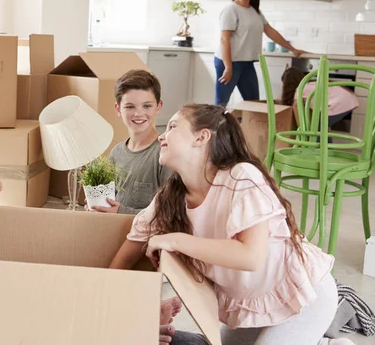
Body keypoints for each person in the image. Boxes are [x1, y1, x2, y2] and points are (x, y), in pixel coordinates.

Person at [110, 103, 353, 345]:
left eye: (172, 126)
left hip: (304, 295)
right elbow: (124, 260)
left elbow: (250, 257)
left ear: (201, 137)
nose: (162, 135)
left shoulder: (242, 176)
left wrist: (175, 240)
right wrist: (118, 305)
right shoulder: (168, 200)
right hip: (253, 303)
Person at [215, 0, 307, 107]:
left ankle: (250, 128)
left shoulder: (255, 11)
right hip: (229, 62)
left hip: (246, 63)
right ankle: (212, 128)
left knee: (254, 103)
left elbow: (270, 32)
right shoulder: (231, 10)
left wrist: (292, 49)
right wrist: (228, 67)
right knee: (221, 103)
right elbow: (224, 39)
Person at [90, 69, 173, 215]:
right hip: (113, 230)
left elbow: (169, 212)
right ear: (118, 108)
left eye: (147, 106)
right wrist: (98, 206)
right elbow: (110, 200)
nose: (138, 113)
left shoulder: (165, 153)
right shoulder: (116, 153)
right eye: (130, 107)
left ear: (158, 107)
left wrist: (121, 211)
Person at [280, 66, 359, 136]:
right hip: (350, 100)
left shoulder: (300, 89)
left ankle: (318, 149)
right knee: (322, 128)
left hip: (342, 103)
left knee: (316, 129)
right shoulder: (310, 84)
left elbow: (296, 107)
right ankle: (326, 149)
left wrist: (303, 131)